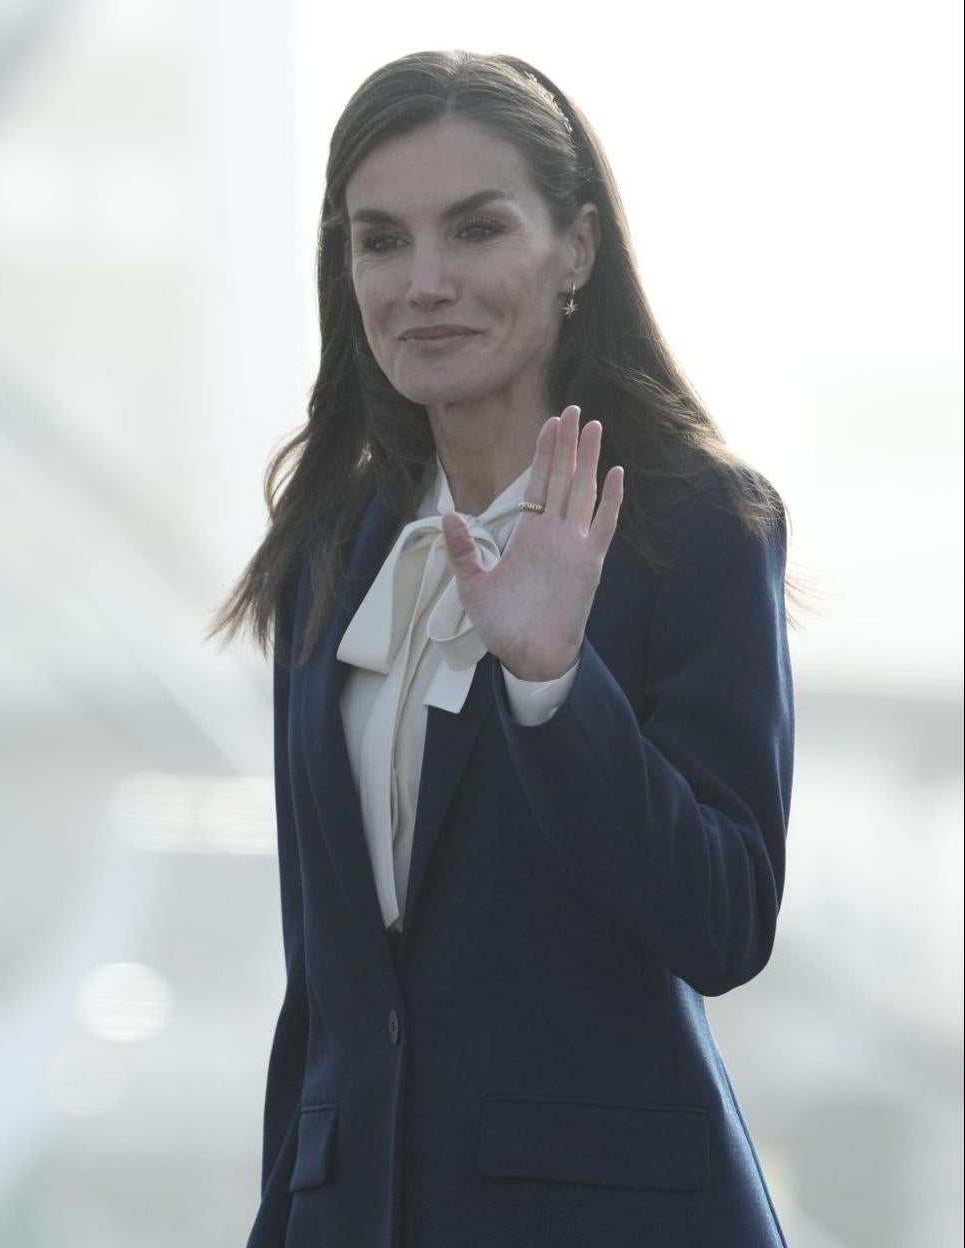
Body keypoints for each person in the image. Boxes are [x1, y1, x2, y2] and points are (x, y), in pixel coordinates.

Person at [210, 49, 794, 1248]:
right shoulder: (331, 545)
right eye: (380, 241)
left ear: (574, 249)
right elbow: (322, 993)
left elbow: (723, 922)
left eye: (474, 231)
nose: (422, 283)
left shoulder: (694, 524)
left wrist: (551, 685)